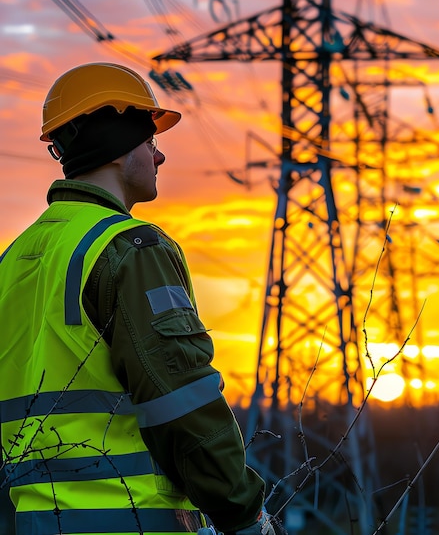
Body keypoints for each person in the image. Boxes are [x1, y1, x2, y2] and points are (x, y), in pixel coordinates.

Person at [0, 62, 271, 535]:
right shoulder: (130, 248)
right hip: (130, 522)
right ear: (118, 148)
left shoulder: (13, 259)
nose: (159, 157)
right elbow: (182, 401)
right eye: (151, 142)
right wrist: (243, 512)